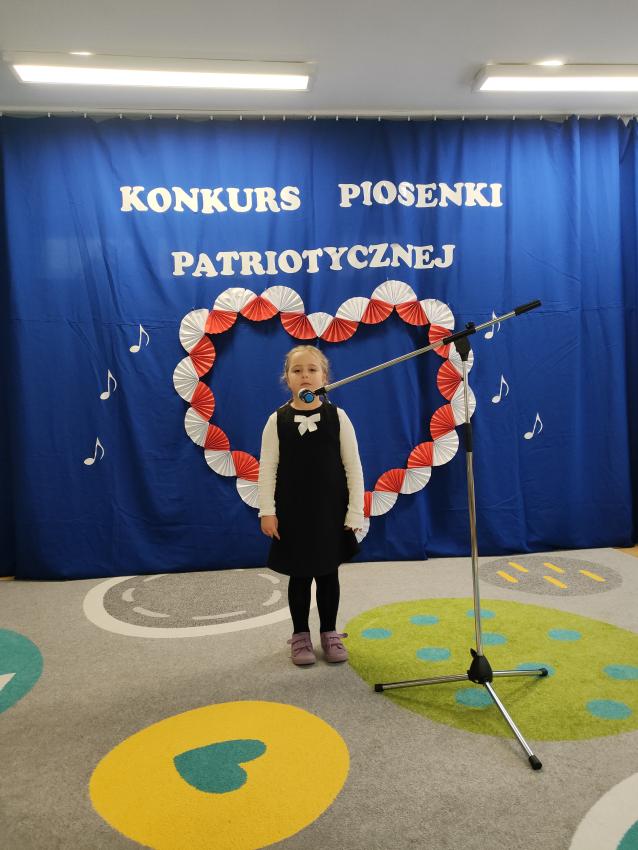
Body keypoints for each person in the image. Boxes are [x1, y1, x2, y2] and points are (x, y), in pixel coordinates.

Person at [258, 345, 365, 666]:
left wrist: (355, 510)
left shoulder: (338, 417)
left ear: (324, 376)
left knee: (328, 574)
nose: (305, 375)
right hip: (293, 514)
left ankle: (329, 632)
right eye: (297, 370)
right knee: (300, 576)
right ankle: (300, 635)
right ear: (287, 378)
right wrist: (267, 511)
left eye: (312, 369)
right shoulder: (277, 420)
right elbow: (267, 469)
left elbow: (353, 467)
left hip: (330, 513)